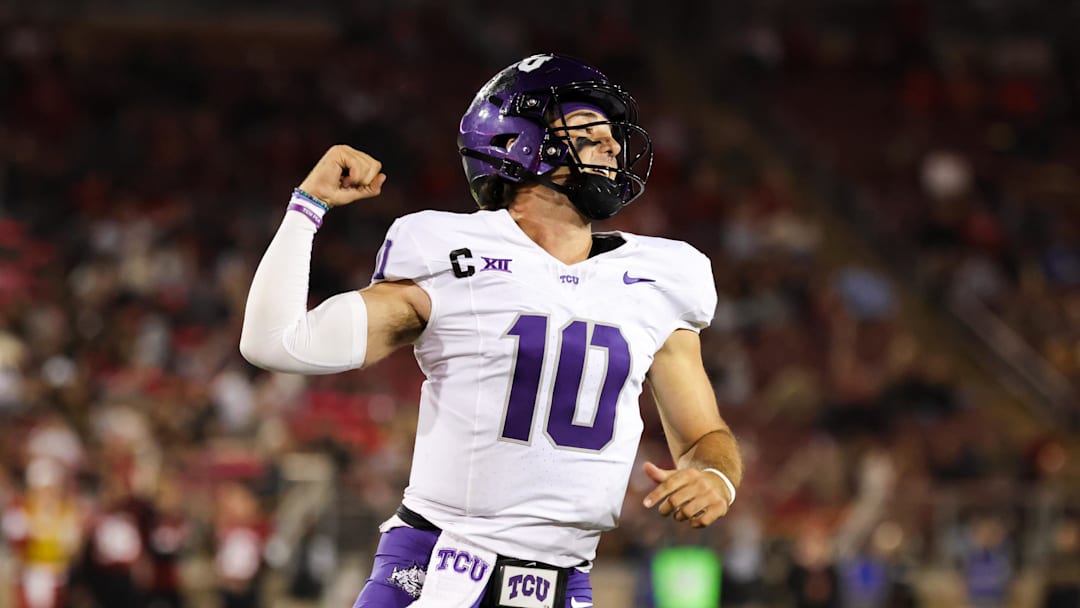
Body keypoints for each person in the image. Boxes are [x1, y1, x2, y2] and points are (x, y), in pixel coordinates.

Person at [240, 53, 742, 608]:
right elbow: (274, 342)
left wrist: (716, 477)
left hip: (564, 584)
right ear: (515, 143)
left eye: (612, 132)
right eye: (585, 129)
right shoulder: (451, 255)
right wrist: (307, 205)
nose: (612, 145)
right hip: (438, 569)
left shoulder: (661, 276)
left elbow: (703, 438)